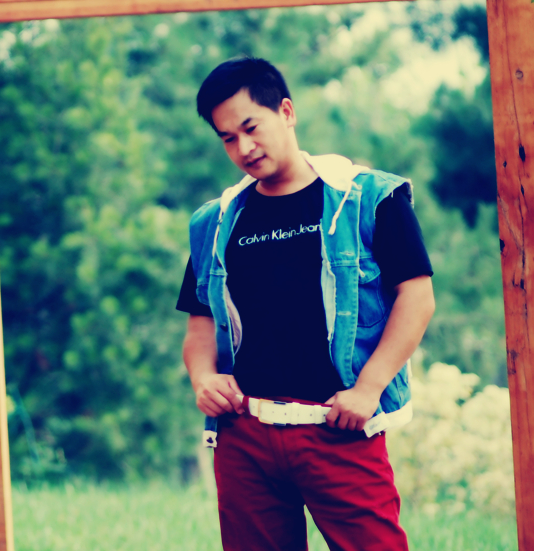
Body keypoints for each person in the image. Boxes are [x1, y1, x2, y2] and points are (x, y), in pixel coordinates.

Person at [176, 57, 435, 551]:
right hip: (245, 437)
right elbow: (200, 324)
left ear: (286, 112)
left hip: (339, 428)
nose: (243, 148)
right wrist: (203, 378)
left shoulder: (370, 197)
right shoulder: (215, 221)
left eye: (251, 128)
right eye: (228, 138)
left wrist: (368, 389)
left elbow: (417, 298)